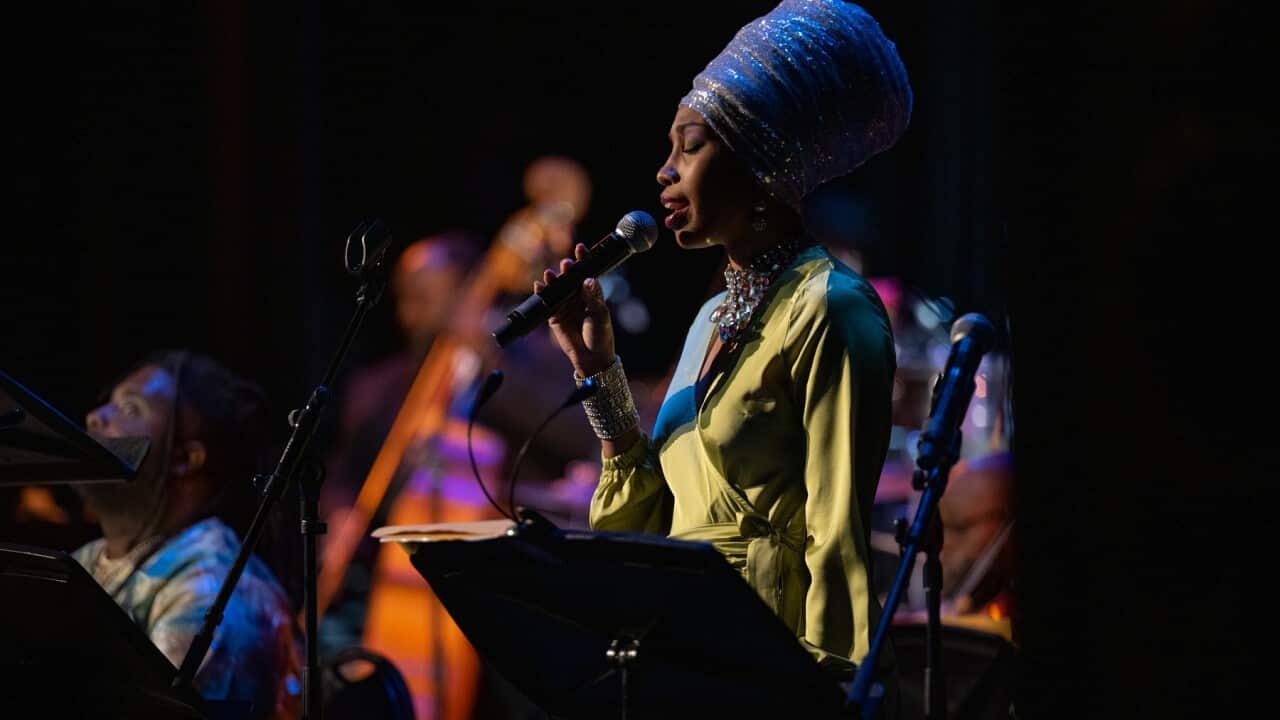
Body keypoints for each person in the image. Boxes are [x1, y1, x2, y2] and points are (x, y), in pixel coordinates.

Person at [537, 0, 912, 696]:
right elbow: (643, 525)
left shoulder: (831, 308)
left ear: (758, 159)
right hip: (682, 664)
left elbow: (839, 537)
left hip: (766, 668)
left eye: (690, 145)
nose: (663, 171)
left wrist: (827, 694)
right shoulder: (710, 317)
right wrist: (597, 371)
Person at [74, 350, 301, 720]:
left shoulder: (212, 591)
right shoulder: (88, 560)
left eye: (130, 409)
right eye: (107, 405)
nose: (96, 418)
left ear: (186, 458)